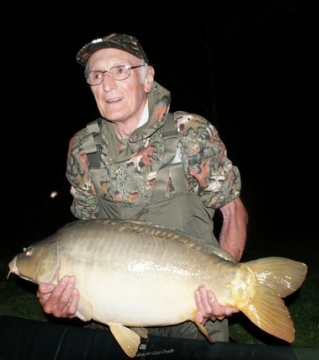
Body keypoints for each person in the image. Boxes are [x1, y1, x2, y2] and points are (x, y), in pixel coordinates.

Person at [37, 33, 248, 342]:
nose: (107, 85)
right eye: (97, 76)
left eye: (120, 70)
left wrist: (226, 284)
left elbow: (233, 212)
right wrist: (69, 299)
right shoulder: (83, 149)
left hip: (194, 314)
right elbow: (85, 239)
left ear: (147, 78)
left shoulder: (190, 133)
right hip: (115, 320)